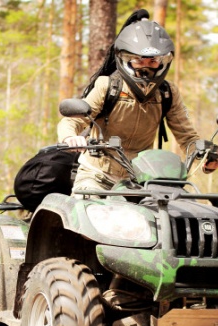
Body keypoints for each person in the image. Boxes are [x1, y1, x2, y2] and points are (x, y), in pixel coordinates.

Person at [57, 16, 218, 196]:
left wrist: (206, 158)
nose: (146, 67)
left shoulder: (167, 92)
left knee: (170, 218)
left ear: (163, 61)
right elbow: (73, 121)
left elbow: (187, 137)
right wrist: (70, 137)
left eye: (153, 61)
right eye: (139, 60)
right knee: (87, 214)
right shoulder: (108, 86)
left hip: (140, 180)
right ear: (125, 58)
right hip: (97, 176)